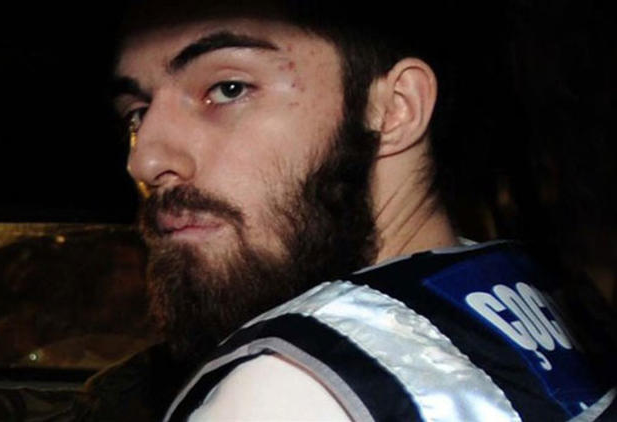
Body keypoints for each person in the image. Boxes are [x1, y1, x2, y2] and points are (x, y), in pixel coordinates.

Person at [112, 1, 617, 420]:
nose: (145, 159)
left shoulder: (290, 390)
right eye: (137, 113)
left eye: (229, 89)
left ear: (395, 108)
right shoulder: (526, 299)